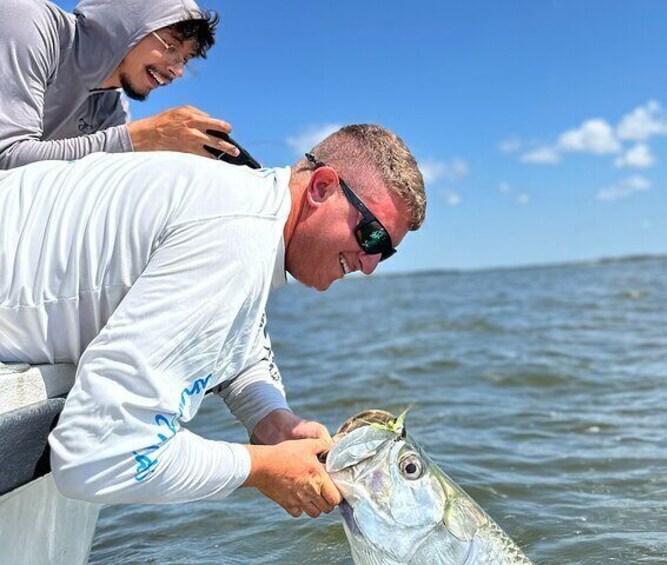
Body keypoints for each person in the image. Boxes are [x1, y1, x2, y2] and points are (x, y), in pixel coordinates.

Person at [0, 124, 427, 518]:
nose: (370, 265)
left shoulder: (249, 209)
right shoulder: (235, 237)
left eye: (385, 252)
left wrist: (274, 421)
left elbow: (239, 344)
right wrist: (260, 467)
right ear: (321, 187)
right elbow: (96, 457)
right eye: (371, 236)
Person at [0, 0, 241, 170]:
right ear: (128, 27)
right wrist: (138, 138)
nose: (177, 71)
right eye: (171, 48)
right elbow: (6, 157)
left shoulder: (111, 107)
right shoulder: (27, 23)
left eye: (184, 60)